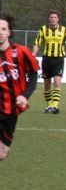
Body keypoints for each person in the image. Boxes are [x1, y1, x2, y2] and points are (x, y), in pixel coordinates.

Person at [0, 13, 40, 161]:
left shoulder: (21, 52)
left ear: (9, 32)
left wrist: (25, 95)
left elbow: (33, 75)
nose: (0, 32)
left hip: (12, 110)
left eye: (3, 29)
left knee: (2, 154)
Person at [32, 10, 66, 114]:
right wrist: (33, 55)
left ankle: (55, 106)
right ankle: (49, 106)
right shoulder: (43, 30)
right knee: (47, 85)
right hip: (46, 60)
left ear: (58, 19)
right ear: (49, 19)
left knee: (57, 82)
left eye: (55, 17)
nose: (53, 19)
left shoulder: (64, 30)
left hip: (58, 60)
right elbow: (37, 43)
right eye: (51, 17)